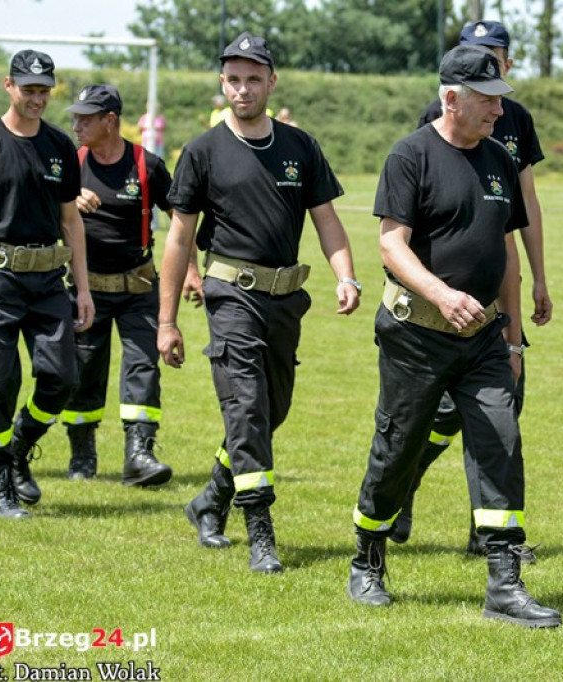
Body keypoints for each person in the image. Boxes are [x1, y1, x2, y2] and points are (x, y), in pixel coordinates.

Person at [347, 45, 561, 629]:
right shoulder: (410, 155)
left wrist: (514, 340)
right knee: (399, 446)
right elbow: (391, 245)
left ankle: (504, 584)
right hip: (417, 334)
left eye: (499, 100)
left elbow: (507, 253)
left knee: (500, 440)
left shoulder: (497, 158)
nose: (498, 111)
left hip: (486, 339)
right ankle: (368, 558)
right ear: (452, 98)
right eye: (488, 100)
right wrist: (443, 295)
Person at [159, 31, 361, 573]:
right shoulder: (201, 152)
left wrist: (347, 276)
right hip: (231, 297)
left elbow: (328, 222)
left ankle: (209, 500)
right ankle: (260, 533)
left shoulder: (301, 147)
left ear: (271, 81)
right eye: (233, 79)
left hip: (287, 299)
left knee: (270, 412)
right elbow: (179, 239)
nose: (243, 89)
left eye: (253, 79)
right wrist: (167, 322)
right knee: (247, 410)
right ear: (222, 82)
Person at [393, 19, 552, 558]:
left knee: (502, 414)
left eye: (496, 53)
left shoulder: (514, 125)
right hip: (436, 312)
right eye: (477, 53)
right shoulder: (428, 134)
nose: (490, 60)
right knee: (439, 419)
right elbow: (414, 221)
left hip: (492, 309)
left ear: (508, 60)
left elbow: (520, 210)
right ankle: (405, 485)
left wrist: (536, 280)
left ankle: (489, 538)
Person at [0, 50, 95, 518]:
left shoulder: (61, 146)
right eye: (29, 89)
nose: (37, 98)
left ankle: (19, 446)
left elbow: (71, 221)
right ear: (8, 86)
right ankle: (2, 479)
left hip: (48, 281)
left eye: (44, 90)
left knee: (61, 379)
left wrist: (82, 289)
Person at [64, 84, 203, 484]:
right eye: (75, 117)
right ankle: (82, 454)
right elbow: (43, 214)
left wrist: (192, 269)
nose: (76, 125)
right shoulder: (70, 165)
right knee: (84, 369)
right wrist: (68, 201)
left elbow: (183, 220)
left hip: (138, 288)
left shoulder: (148, 166)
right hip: (85, 288)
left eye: (85, 118)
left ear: (110, 121)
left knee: (144, 368)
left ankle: (138, 455)